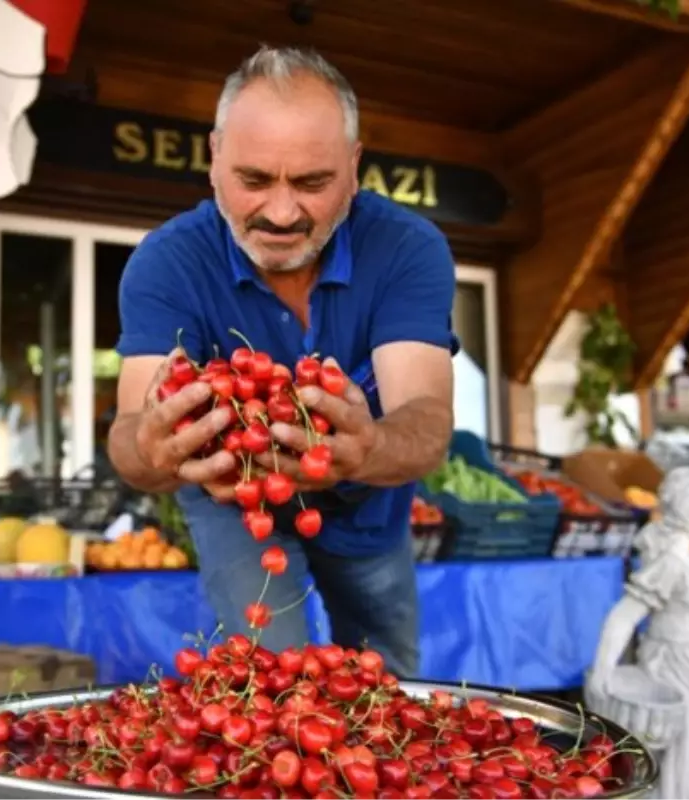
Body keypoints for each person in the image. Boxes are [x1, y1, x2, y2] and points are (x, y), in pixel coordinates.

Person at [107, 46, 457, 677]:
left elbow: (426, 416)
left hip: (371, 504)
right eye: (254, 179)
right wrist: (151, 448)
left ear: (353, 168)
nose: (281, 212)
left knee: (389, 682)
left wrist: (370, 448)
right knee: (269, 676)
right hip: (235, 506)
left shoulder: (407, 248)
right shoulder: (166, 264)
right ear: (214, 160)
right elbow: (130, 435)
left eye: (313, 183)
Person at [587, 467, 689, 800]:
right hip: (669, 668)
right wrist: (603, 671)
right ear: (688, 512)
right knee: (678, 774)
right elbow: (623, 617)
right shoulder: (670, 564)